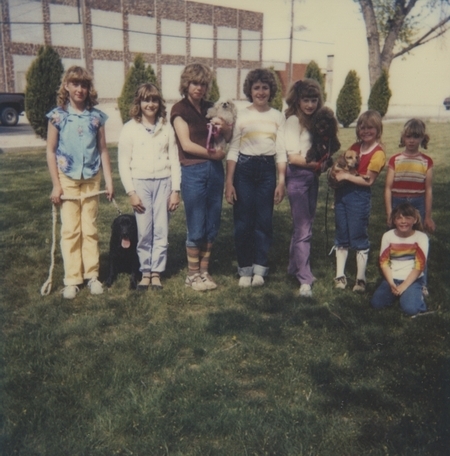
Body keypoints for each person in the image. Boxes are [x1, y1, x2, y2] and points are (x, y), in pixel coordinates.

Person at [46, 65, 113, 299]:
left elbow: (103, 150)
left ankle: (92, 275)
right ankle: (72, 279)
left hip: (92, 178)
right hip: (68, 178)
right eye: (75, 84)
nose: (80, 89)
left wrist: (109, 181)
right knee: (71, 229)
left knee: (90, 228)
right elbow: (51, 151)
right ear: (67, 86)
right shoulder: (58, 116)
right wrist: (56, 184)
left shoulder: (96, 117)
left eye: (84, 85)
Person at [170, 63, 232, 291]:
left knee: (212, 223)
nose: (199, 88)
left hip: (214, 171)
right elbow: (185, 144)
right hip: (193, 170)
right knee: (196, 224)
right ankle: (192, 275)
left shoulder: (211, 108)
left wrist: (224, 127)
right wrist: (213, 154)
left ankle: (204, 272)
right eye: (195, 83)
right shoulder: (179, 109)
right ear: (186, 84)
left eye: (203, 84)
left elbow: (228, 133)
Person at [225, 69, 286, 287]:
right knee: (243, 222)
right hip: (244, 169)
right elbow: (233, 149)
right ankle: (245, 269)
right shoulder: (241, 115)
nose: (261, 92)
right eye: (256, 87)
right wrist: (229, 181)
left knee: (264, 221)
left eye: (265, 87)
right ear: (250, 90)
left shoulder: (278, 116)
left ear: (271, 90)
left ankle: (260, 269)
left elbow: (281, 151)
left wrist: (281, 181)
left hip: (268, 170)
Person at [118, 83, 181, 290]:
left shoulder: (166, 128)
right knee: (144, 231)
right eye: (146, 100)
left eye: (154, 100)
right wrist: (131, 192)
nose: (150, 104)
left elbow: (174, 159)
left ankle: (156, 272)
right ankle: (145, 271)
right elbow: (123, 163)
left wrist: (175, 190)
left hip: (164, 182)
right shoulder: (129, 129)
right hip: (141, 184)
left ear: (159, 103)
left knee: (161, 229)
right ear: (139, 102)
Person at [277, 79, 325, 297]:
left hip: (311, 176)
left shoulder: (313, 120)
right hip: (297, 177)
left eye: (314, 100)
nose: (310, 104)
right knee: (303, 228)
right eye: (306, 100)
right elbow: (294, 158)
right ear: (297, 100)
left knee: (305, 225)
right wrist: (318, 165)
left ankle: (294, 267)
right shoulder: (293, 121)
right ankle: (305, 279)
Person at [333, 110, 386, 292]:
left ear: (377, 129)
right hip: (342, 195)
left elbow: (368, 180)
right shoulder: (355, 147)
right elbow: (340, 166)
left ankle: (360, 279)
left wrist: (345, 176)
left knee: (358, 234)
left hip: (359, 197)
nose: (365, 131)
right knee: (342, 232)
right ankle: (340, 276)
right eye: (362, 127)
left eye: (370, 127)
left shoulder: (378, 153)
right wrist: (335, 173)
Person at [384, 118, 435, 295]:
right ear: (403, 138)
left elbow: (428, 189)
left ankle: (422, 282)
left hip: (417, 203)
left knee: (419, 244)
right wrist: (390, 212)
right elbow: (388, 188)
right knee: (397, 240)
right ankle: (390, 278)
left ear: (423, 138)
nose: (412, 140)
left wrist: (427, 216)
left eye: (416, 137)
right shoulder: (395, 159)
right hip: (399, 201)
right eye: (408, 136)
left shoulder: (426, 161)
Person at [371, 203, 428, 316]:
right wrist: (392, 284)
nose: (403, 221)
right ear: (394, 221)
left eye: (407, 217)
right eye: (399, 218)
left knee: (410, 309)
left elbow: (419, 266)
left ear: (415, 219)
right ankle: (399, 293)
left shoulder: (421, 237)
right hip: (392, 278)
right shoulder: (388, 236)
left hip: (412, 279)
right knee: (376, 304)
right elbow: (384, 262)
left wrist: (404, 285)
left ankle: (416, 293)